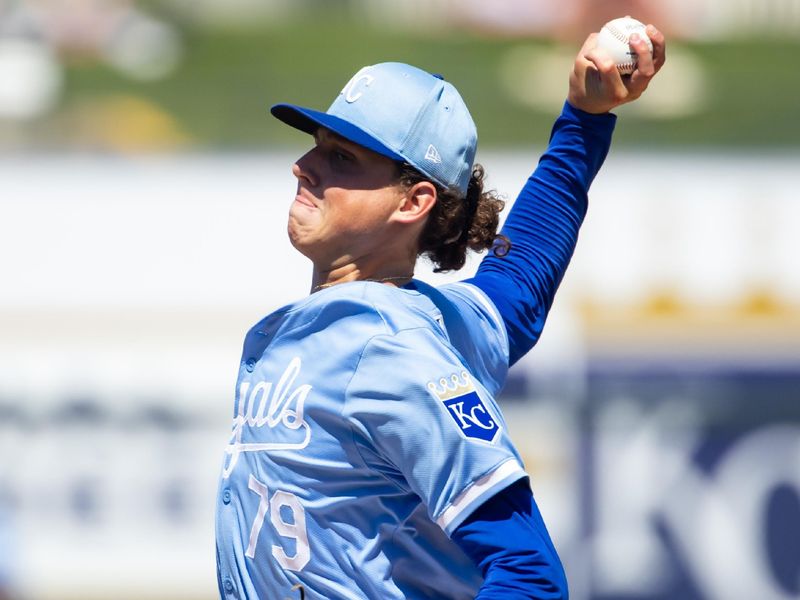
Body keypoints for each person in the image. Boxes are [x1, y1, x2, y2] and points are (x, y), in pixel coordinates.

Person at [215, 24, 665, 600]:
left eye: (341, 156)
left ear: (413, 201)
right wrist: (583, 118)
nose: (304, 164)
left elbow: (530, 575)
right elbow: (518, 282)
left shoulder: (394, 351)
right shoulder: (436, 321)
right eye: (316, 143)